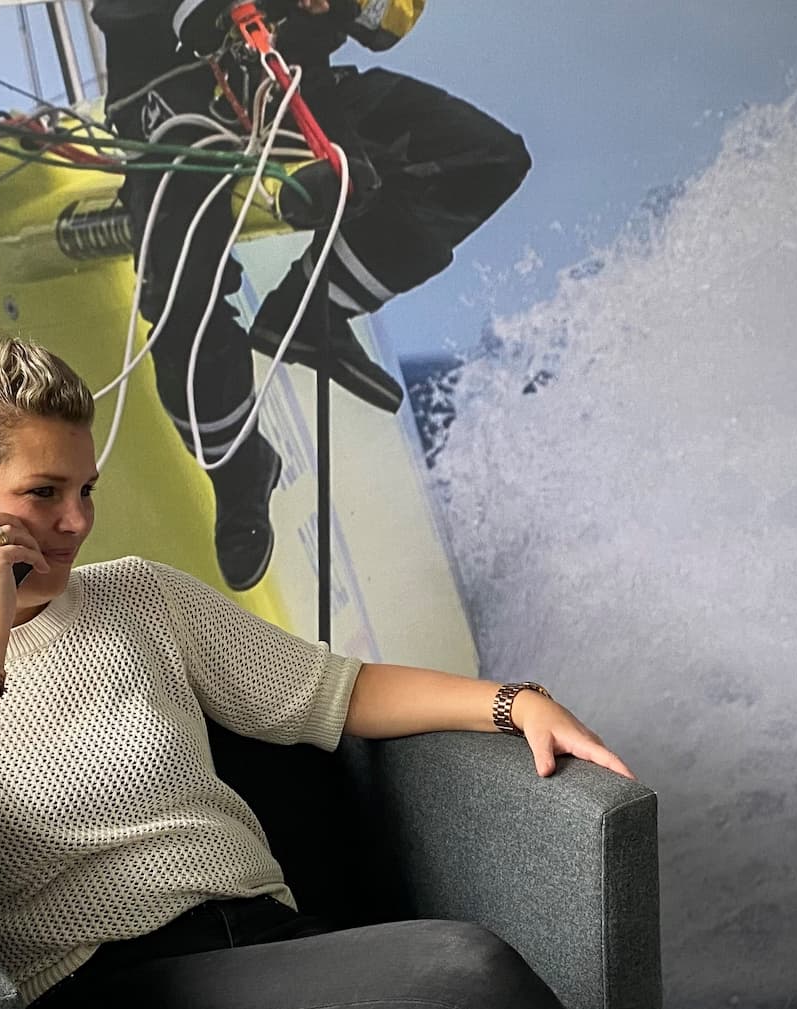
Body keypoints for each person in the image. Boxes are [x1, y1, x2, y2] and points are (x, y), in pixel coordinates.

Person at [0, 337, 693, 1009]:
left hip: (276, 972)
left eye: (84, 490)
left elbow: (329, 693)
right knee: (467, 976)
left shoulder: (139, 596)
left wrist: (509, 702)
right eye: (42, 493)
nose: (74, 521)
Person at [90, 0, 532, 591]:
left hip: (291, 90)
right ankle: (238, 471)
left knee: (485, 159)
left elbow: (389, 22)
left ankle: (310, 310)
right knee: (181, 303)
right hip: (169, 105)